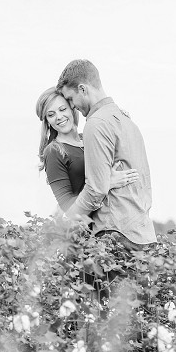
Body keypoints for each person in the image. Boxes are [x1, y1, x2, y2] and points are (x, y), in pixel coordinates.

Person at [55, 59, 157, 250]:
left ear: (83, 89)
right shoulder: (127, 122)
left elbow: (96, 190)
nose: (72, 106)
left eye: (70, 99)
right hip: (143, 236)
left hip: (115, 235)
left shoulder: (96, 123)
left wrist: (67, 220)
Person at [35, 86, 140, 213]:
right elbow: (68, 208)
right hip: (88, 230)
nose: (59, 117)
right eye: (51, 114)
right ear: (47, 121)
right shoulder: (54, 151)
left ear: (72, 108)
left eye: (62, 109)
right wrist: (107, 184)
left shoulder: (89, 137)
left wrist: (119, 119)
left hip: (113, 217)